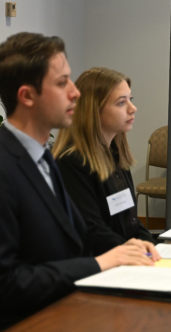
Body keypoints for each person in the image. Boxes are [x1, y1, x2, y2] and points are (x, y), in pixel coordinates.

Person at [0, 32, 156, 329]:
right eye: (62, 83)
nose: (75, 92)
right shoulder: (7, 166)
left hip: (71, 310)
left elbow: (71, 245)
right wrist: (101, 263)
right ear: (27, 96)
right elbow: (6, 284)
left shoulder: (43, 160)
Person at [53, 68, 159, 257]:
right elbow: (91, 230)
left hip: (124, 258)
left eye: (130, 99)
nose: (132, 108)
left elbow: (131, 221)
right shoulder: (71, 161)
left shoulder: (115, 155)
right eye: (121, 102)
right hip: (99, 265)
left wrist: (150, 247)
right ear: (93, 111)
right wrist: (137, 252)